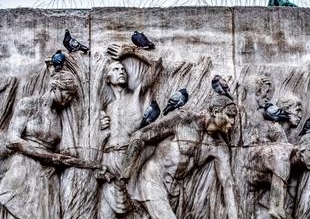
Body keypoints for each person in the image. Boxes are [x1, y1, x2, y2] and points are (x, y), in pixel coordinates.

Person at [0, 71, 110, 219]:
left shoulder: (58, 116)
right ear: (55, 87)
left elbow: (60, 152)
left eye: (71, 95)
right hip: (24, 167)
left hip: (47, 174)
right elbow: (12, 139)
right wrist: (47, 156)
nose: (69, 98)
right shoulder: (29, 104)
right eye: (67, 93)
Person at [122, 95, 239, 219]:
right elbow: (140, 135)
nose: (233, 122)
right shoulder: (183, 119)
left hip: (174, 192)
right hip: (152, 180)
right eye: (229, 116)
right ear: (216, 112)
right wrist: (125, 174)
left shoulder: (219, 146)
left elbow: (228, 184)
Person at [99, 44, 162, 218]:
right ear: (107, 78)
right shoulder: (107, 108)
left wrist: (129, 51)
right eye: (116, 69)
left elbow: (156, 64)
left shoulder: (137, 95)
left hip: (132, 164)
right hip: (110, 167)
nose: (121, 71)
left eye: (123, 69)